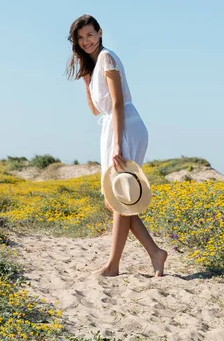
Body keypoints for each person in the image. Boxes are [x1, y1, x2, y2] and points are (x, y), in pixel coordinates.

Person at [66, 14, 167, 277]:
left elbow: (118, 103)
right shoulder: (96, 64)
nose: (86, 41)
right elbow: (95, 111)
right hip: (113, 127)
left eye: (90, 35)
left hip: (125, 128)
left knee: (121, 196)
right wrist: (86, 81)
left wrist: (117, 146)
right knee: (118, 200)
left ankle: (113, 265)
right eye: (80, 38)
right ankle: (156, 253)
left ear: (100, 33)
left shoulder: (108, 58)